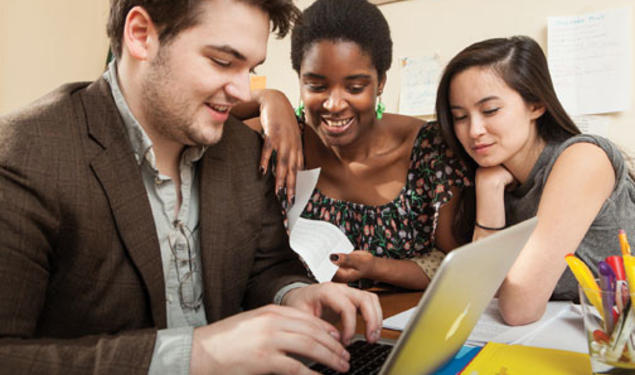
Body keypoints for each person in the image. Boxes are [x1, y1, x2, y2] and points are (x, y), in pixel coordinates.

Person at [0, 1, 384, 374]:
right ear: (140, 36)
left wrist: (295, 295)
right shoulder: (25, 156)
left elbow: (267, 268)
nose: (242, 90)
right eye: (222, 62)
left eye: (250, 68)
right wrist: (194, 355)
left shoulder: (243, 149)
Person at [248, 0, 470, 290]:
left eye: (355, 88)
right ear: (300, 82)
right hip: (309, 324)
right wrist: (267, 97)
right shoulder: (284, 141)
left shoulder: (430, 149)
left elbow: (454, 261)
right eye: (316, 86)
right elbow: (210, 122)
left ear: (380, 83)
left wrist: (378, 268)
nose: (334, 104)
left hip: (401, 323)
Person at [435, 35, 635, 325]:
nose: (474, 130)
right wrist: (488, 190)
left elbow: (519, 309)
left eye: (490, 110)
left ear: (536, 105)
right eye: (460, 116)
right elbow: (479, 295)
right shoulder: (495, 178)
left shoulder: (583, 158)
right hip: (570, 336)